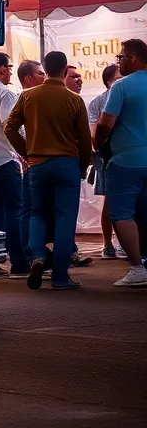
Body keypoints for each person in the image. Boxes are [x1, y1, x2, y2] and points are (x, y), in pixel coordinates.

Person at [4, 50, 93, 291]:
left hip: (38, 165)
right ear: (65, 70)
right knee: (65, 219)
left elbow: (9, 128)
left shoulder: (28, 97)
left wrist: (27, 152)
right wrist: (83, 166)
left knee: (37, 214)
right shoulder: (74, 100)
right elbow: (85, 140)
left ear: (46, 67)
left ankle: (38, 258)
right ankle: (61, 276)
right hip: (67, 165)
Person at [94, 38, 147, 287]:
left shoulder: (121, 86)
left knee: (122, 213)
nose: (119, 61)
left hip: (127, 160)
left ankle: (137, 267)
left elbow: (105, 123)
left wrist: (98, 143)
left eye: (121, 57)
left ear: (133, 58)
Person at [0, 53, 24, 278]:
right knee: (14, 210)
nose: (10, 72)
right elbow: (11, 128)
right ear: (1, 70)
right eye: (9, 68)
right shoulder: (4, 93)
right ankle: (18, 262)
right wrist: (24, 153)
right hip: (5, 159)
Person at [88, 64, 124, 259]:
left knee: (113, 201)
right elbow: (95, 132)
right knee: (114, 201)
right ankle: (110, 244)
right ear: (110, 80)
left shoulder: (97, 102)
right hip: (111, 155)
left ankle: (114, 244)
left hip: (108, 155)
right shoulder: (100, 101)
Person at [15, 59, 46, 265]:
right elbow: (12, 128)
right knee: (31, 209)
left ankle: (33, 253)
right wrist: (24, 154)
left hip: (32, 160)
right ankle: (31, 252)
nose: (43, 77)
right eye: (40, 74)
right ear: (28, 77)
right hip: (32, 161)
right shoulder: (25, 98)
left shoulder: (33, 97)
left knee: (31, 209)